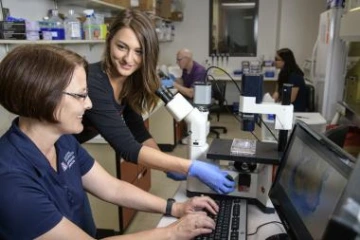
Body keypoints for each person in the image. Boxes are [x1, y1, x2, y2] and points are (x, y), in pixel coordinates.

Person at [0, 44, 219, 239]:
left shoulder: (63, 141)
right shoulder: (10, 181)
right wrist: (172, 232)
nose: (89, 104)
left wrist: (176, 208)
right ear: (44, 97)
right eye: (81, 95)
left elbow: (112, 188)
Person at [75, 9, 234, 192]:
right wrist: (190, 167)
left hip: (67, 151)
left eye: (139, 51)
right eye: (121, 47)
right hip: (44, 151)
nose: (129, 59)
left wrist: (167, 165)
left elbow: (138, 132)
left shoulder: (128, 83)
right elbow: (128, 148)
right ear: (109, 40)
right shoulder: (93, 82)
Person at [272, 48, 307, 112]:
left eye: (277, 59)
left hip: (295, 109)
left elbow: (290, 99)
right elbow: (277, 91)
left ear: (285, 61)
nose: (275, 62)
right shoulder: (282, 73)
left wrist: (277, 105)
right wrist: (271, 101)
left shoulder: (296, 76)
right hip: (285, 106)